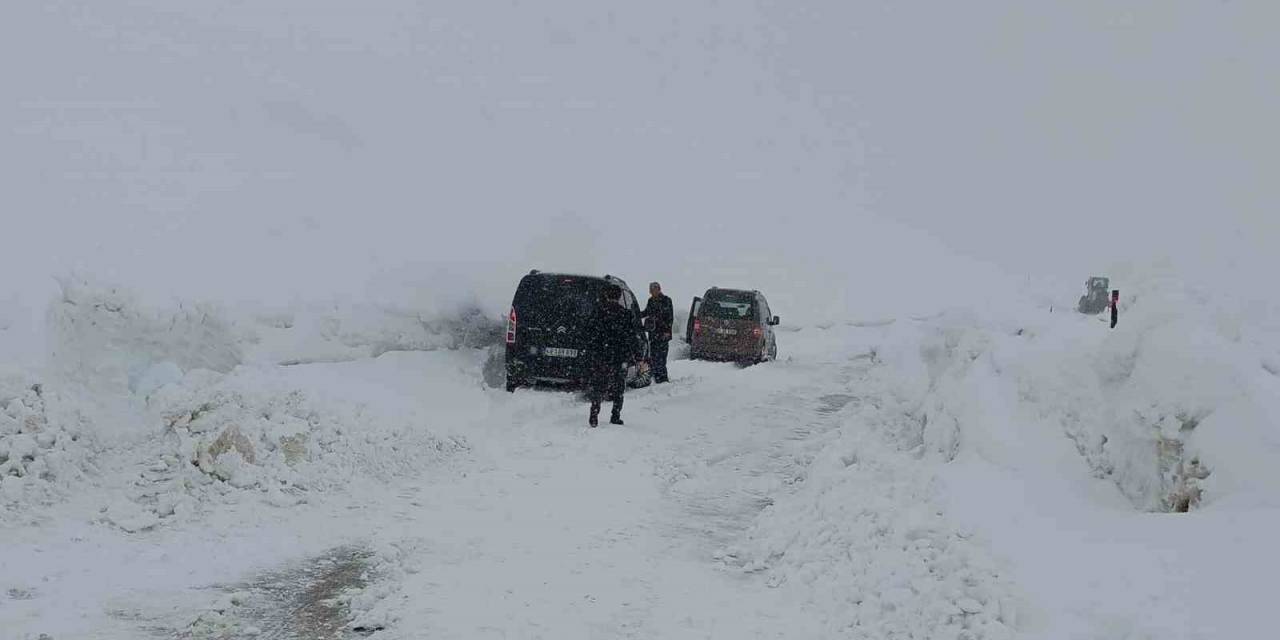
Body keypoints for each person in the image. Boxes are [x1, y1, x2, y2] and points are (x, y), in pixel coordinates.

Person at [587, 283, 641, 427]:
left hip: (602, 355)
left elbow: (590, 334)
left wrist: (592, 351)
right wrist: (636, 354)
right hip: (619, 356)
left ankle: (594, 412)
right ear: (618, 297)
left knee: (599, 385)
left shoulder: (599, 312)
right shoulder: (625, 314)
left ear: (606, 295)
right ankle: (615, 415)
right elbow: (632, 336)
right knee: (618, 387)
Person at [640, 281, 674, 383]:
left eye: (654, 289)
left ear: (659, 289)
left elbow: (670, 317)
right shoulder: (650, 301)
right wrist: (637, 314)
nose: (652, 291)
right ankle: (656, 377)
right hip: (653, 334)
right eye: (651, 290)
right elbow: (646, 312)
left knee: (662, 358)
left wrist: (667, 331)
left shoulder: (666, 300)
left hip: (663, 334)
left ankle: (663, 379)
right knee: (654, 357)